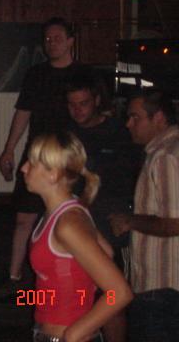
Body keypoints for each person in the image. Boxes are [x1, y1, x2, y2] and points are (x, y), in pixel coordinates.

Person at [0, 17, 89, 296]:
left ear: (70, 41)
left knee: (69, 216)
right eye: (47, 39)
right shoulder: (36, 74)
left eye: (57, 38)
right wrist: (9, 149)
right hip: (38, 153)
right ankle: (14, 276)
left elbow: (97, 113)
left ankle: (76, 277)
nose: (51, 43)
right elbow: (23, 112)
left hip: (70, 154)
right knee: (24, 217)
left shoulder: (84, 74)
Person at [24, 132, 132, 342]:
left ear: (53, 174)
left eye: (32, 163)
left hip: (63, 335)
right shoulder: (69, 210)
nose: (24, 168)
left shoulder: (68, 223)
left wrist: (74, 334)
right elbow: (107, 252)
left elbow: (119, 293)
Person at [65, 76, 140, 342]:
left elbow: (133, 175)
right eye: (72, 104)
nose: (77, 110)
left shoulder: (118, 132)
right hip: (76, 224)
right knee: (75, 295)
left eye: (83, 103)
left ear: (97, 101)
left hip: (110, 225)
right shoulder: (66, 133)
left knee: (111, 299)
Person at [109, 89, 179, 341]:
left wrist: (130, 221)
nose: (128, 124)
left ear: (159, 117)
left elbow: (174, 223)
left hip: (162, 286)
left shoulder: (165, 156)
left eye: (135, 117)